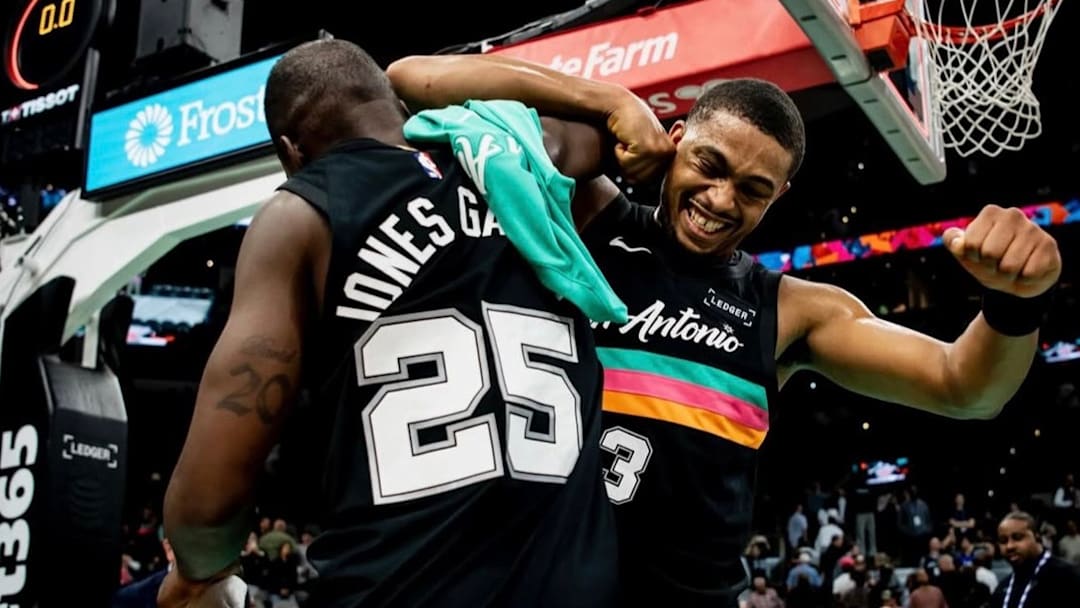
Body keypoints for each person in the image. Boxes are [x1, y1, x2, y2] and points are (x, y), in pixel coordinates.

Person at [387, 52, 1062, 606]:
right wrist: (610, 100)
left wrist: (1014, 302)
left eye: (752, 189)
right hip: (530, 585)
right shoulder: (588, 215)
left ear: (779, 195)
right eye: (709, 166)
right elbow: (412, 81)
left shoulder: (792, 310)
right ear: (676, 139)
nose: (720, 200)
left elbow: (964, 386)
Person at [157, 38, 652, 608]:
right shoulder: (520, 152)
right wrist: (614, 99)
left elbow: (208, 502)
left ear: (290, 152)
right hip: (571, 589)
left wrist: (200, 574)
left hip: (400, 586)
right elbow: (617, 130)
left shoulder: (299, 215)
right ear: (398, 106)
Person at [991, 511, 1080, 607]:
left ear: (1037, 537)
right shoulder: (1002, 588)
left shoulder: (1067, 576)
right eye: (1003, 541)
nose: (1009, 546)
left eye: (1017, 537)